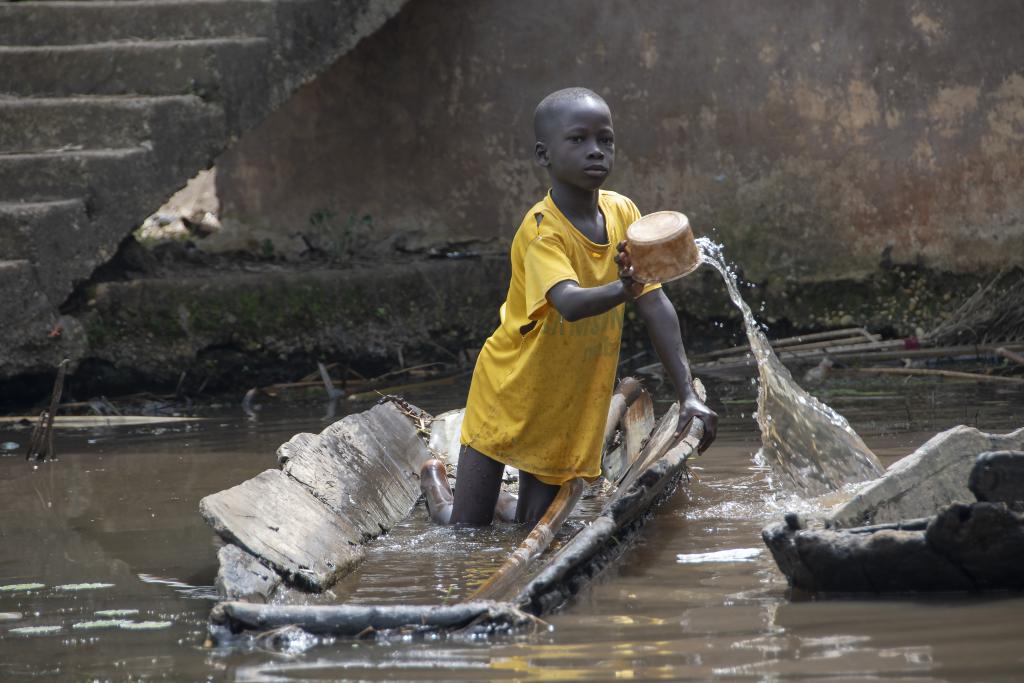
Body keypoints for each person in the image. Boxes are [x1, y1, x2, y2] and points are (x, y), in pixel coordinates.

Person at [421, 87, 718, 526]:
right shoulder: (544, 231)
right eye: (578, 140)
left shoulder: (623, 213)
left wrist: (688, 394)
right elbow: (570, 303)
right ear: (544, 155)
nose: (596, 151)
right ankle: (436, 488)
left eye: (606, 140)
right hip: (510, 391)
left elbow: (656, 305)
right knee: (467, 529)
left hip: (567, 401)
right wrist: (628, 285)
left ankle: (504, 506)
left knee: (534, 525)